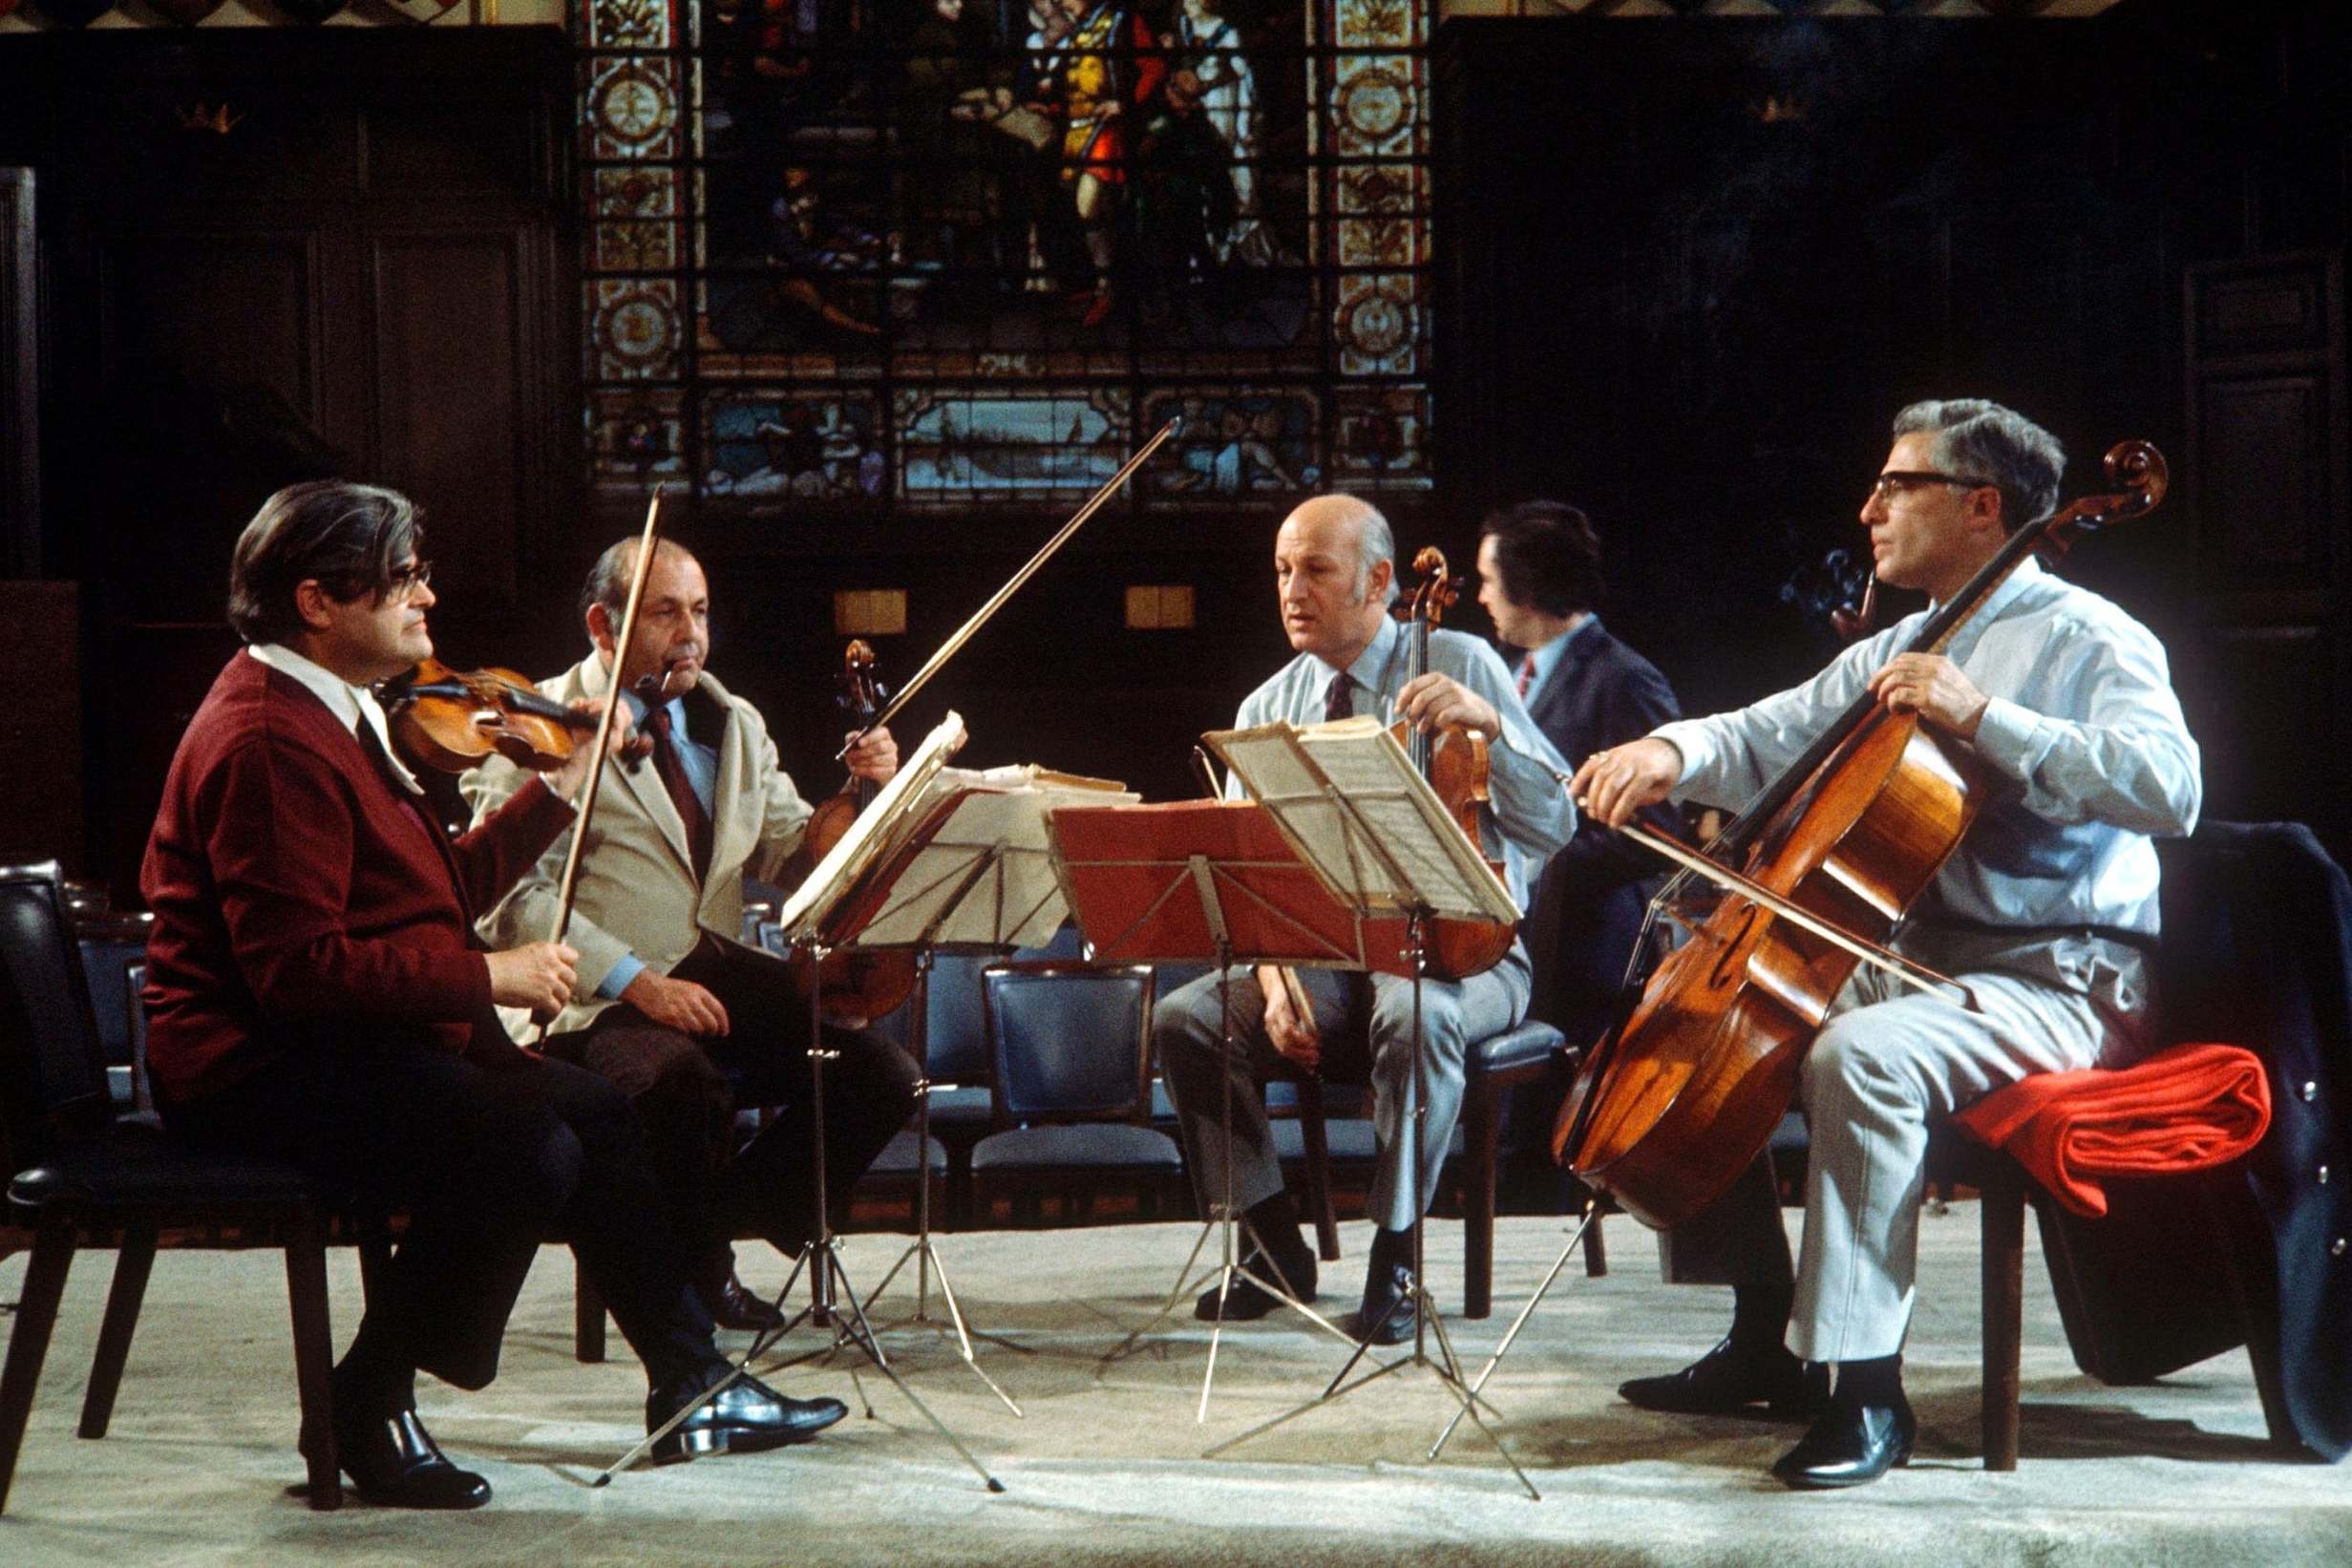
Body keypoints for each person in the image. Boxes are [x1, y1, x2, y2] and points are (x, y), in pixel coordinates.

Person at [140, 481, 845, 1512]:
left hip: (334, 1044)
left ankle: (694, 1386)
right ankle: (363, 1400)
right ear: (317, 602)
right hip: (252, 1067)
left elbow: (435, 893)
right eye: (402, 577)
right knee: (525, 1137)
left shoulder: (330, 710)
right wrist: (487, 974)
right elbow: (294, 973)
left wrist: (557, 787)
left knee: (595, 1112)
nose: (427, 597)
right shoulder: (265, 737)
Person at [1575, 400, 2201, 1489]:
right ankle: (1764, 1327)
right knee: (1710, 1006)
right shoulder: (1906, 640)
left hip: (2057, 974)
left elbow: (2173, 787)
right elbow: (1768, 729)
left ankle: (1863, 1389)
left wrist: (1983, 717)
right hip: (1931, 960)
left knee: (1854, 1055)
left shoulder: (2089, 636)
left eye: (1896, 484)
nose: (1868, 508)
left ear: (1981, 506)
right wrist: (1667, 748)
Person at [462, 538, 920, 1335]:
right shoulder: (534, 719)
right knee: (679, 1080)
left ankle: (727, 1215)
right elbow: (508, 896)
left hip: (708, 970)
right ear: (604, 626)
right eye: (666, 611)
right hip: (586, 998)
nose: (691, 633)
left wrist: (866, 791)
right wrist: (636, 980)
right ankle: (703, 1273)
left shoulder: (731, 719)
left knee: (881, 1072)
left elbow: (787, 846)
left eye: (700, 611)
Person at [1152, 494, 1577, 1343]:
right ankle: (1272, 1243)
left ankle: (1397, 1252)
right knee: (1187, 1020)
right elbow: (1248, 876)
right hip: (1325, 961)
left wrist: (1488, 725)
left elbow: (1555, 822)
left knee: (1414, 1013)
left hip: (1470, 957)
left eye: (1315, 569)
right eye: (1281, 570)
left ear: (1380, 581)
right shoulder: (1264, 706)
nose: (1291, 590)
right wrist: (1274, 986)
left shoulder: (1459, 660)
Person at [1472, 500, 1681, 1202]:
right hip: (1514, 941)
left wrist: (1537, 862)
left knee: (1551, 1154)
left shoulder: (1624, 677)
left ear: (1526, 587)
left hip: (1583, 953)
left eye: (1487, 581)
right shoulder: (1500, 670)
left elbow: (1660, 832)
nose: (1478, 598)